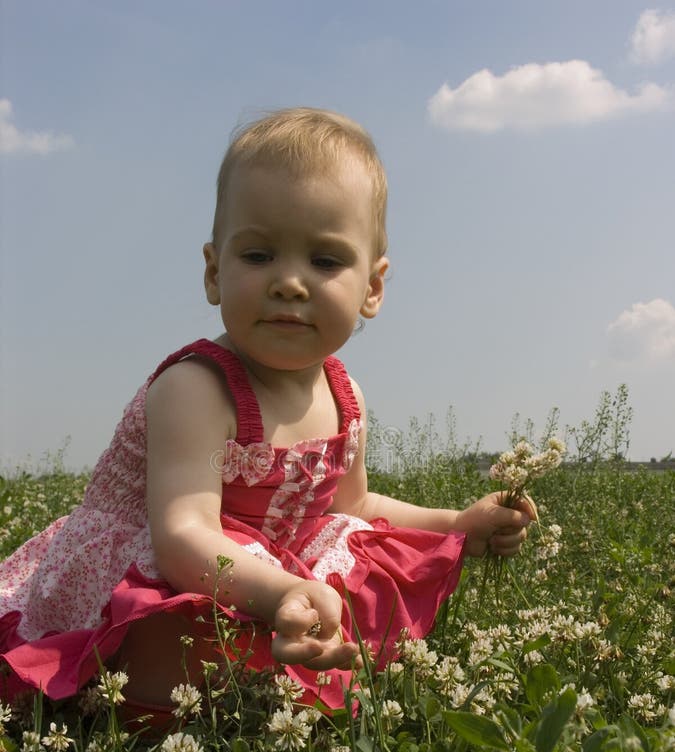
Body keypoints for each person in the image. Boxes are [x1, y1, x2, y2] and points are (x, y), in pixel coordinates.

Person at [0, 108, 534, 718]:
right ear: (212, 271)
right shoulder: (196, 388)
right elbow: (183, 540)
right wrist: (282, 592)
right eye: (257, 256)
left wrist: (455, 523)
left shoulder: (345, 395)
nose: (288, 282)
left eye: (325, 261)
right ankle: (203, 696)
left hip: (267, 575)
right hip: (172, 573)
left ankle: (281, 675)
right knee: (170, 638)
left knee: (365, 574)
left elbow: (352, 507)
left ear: (373, 288)